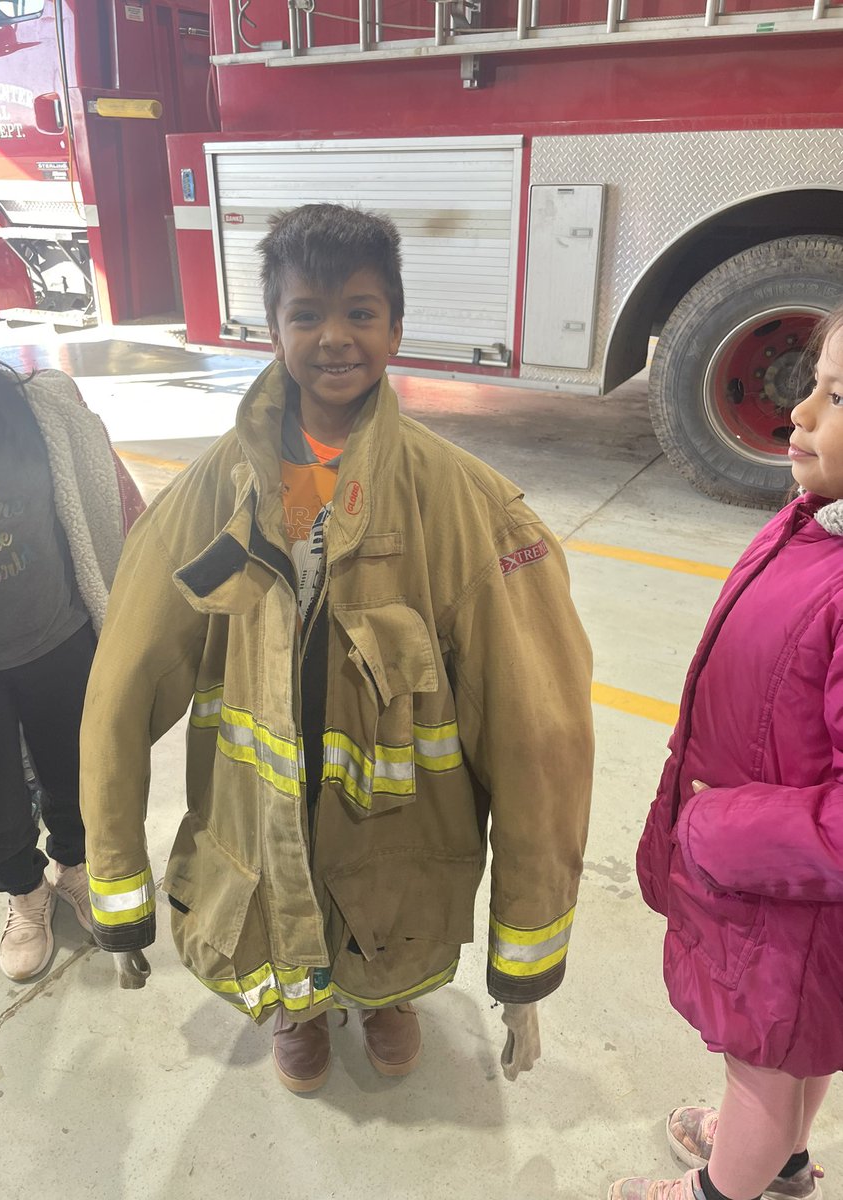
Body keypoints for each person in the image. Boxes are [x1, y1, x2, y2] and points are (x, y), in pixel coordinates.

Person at [79, 203, 594, 1092]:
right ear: (271, 328)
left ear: (396, 326)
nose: (335, 337)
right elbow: (121, 686)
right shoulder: (211, 493)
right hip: (263, 794)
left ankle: (387, 995)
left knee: (380, 908)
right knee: (286, 887)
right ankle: (299, 1006)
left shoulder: (469, 506)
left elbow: (540, 735)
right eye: (307, 313)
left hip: (397, 811)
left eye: (360, 312)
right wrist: (116, 887)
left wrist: (526, 968)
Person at [609, 309, 843, 1200]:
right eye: (815, 384)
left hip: (784, 888)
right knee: (797, 1045)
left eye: (838, 396)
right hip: (783, 892)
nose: (800, 414)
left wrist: (720, 827)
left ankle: (722, 1188)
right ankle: (778, 1158)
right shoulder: (816, 523)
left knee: (763, 1061)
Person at [0, 263, 144, 981]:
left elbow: (113, 505)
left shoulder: (43, 408)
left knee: (76, 780)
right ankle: (25, 894)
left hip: (64, 642)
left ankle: (73, 870)